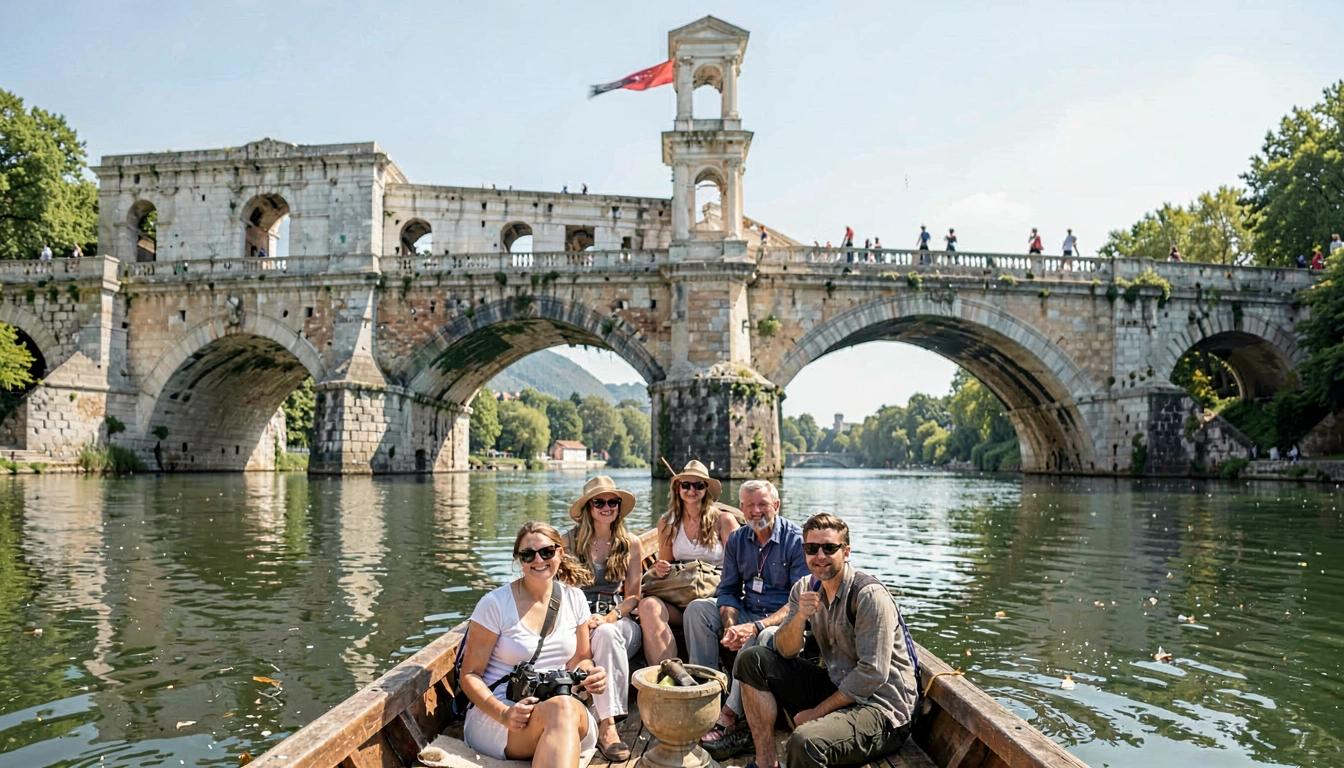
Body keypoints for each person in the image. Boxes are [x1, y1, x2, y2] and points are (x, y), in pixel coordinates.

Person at [736, 514, 919, 768]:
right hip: (838, 686)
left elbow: (872, 673)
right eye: (812, 548)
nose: (820, 555)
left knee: (805, 741)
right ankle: (766, 763)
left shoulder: (868, 596)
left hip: (883, 709)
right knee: (752, 659)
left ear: (846, 552)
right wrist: (800, 616)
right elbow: (785, 651)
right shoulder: (804, 588)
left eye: (829, 548)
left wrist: (816, 712)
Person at [458, 522, 609, 767]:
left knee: (562, 709)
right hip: (501, 714)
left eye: (547, 552)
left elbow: (581, 659)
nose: (538, 560)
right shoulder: (494, 604)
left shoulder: (575, 598)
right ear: (519, 559)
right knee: (562, 712)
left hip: (564, 704)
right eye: (528, 554)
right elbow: (470, 675)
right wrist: (504, 713)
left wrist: (590, 673)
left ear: (560, 552)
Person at [687, 480, 808, 760]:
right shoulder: (739, 539)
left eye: (763, 504)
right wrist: (730, 625)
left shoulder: (796, 541)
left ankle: (729, 712)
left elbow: (798, 603)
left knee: (759, 637)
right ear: (741, 508)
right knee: (697, 609)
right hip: (748, 612)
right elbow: (728, 589)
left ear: (776, 506)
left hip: (784, 622)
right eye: (750, 505)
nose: (756, 511)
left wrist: (753, 626)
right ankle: (705, 695)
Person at [562, 477, 644, 761]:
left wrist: (610, 616)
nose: (606, 507)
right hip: (577, 622)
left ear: (619, 507)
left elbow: (633, 597)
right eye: (599, 502)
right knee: (597, 636)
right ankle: (600, 719)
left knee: (608, 634)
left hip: (619, 620)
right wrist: (584, 621)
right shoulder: (568, 542)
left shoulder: (630, 543)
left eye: (612, 502)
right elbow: (560, 592)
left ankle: (607, 725)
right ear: (589, 507)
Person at [639, 460, 739, 666]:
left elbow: (740, 566)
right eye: (686, 485)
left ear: (706, 489)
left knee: (696, 608)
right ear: (678, 488)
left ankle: (704, 677)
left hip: (714, 598)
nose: (691, 490)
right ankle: (670, 673)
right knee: (648, 605)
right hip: (679, 595)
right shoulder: (668, 522)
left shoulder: (724, 521)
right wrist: (660, 568)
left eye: (698, 485)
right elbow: (665, 565)